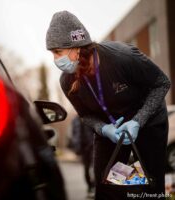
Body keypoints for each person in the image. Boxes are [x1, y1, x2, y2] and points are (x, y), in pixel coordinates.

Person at [45, 10, 170, 199]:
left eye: (57, 52)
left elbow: (162, 83)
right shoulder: (66, 81)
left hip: (148, 123)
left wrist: (138, 121)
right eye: (52, 53)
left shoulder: (122, 57)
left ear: (76, 46)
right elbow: (85, 115)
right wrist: (104, 130)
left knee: (151, 185)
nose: (55, 59)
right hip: (111, 130)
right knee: (107, 185)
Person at [70, 115, 95, 198]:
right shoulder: (74, 120)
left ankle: (94, 187)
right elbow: (74, 134)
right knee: (86, 168)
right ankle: (90, 187)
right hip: (82, 148)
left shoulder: (89, 117)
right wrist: (76, 147)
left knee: (94, 167)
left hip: (92, 146)